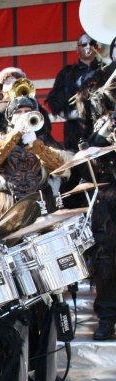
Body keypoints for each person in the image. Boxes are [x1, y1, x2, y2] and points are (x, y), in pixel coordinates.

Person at [0, 95, 72, 227]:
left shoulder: (43, 142)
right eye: (18, 111)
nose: (23, 115)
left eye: (28, 111)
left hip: (40, 208)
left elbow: (60, 169)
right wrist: (15, 134)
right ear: (10, 117)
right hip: (8, 208)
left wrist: (36, 145)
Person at [75, 67, 116, 340]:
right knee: (105, 260)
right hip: (108, 200)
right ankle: (107, 318)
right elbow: (84, 169)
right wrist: (97, 141)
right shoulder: (101, 122)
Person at [46, 33, 102, 152]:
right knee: (79, 166)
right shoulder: (66, 73)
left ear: (97, 47)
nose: (88, 47)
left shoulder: (105, 69)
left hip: (104, 125)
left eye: (92, 44)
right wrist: (76, 114)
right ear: (77, 49)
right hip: (77, 128)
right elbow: (55, 100)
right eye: (84, 44)